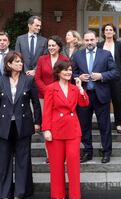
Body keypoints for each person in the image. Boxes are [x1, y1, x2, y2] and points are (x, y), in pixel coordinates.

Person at [0, 51, 42, 199]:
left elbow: (36, 103)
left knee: (23, 158)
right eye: (17, 61)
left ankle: (21, 191)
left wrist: (37, 122)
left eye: (21, 61)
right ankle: (3, 191)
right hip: (3, 124)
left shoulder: (28, 80)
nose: (20, 63)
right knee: (3, 158)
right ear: (9, 64)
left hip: (24, 124)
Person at [42, 61, 89, 199]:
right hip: (56, 129)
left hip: (73, 129)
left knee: (73, 162)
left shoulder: (75, 88)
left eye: (70, 70)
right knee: (56, 163)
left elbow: (84, 104)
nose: (68, 72)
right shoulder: (51, 88)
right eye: (65, 70)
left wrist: (81, 89)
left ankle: (75, 194)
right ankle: (58, 194)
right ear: (58, 72)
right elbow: (47, 110)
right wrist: (46, 129)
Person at [72, 30, 118, 164]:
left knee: (104, 125)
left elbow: (115, 72)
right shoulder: (77, 55)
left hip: (101, 95)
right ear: (83, 41)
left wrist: (102, 76)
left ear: (96, 40)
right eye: (86, 40)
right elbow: (72, 73)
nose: (89, 42)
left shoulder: (106, 54)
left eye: (91, 40)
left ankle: (106, 152)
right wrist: (78, 77)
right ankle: (88, 151)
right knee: (84, 125)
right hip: (84, 95)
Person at [35, 35, 69, 164]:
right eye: (49, 45)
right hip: (44, 97)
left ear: (59, 46)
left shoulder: (64, 59)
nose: (51, 48)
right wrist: (48, 92)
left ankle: (62, 153)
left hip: (61, 97)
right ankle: (49, 154)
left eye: (53, 45)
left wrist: (57, 92)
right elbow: (37, 78)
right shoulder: (42, 59)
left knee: (61, 123)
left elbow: (67, 77)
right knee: (47, 124)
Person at [98, 23, 121, 134]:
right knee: (103, 101)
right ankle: (104, 124)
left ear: (114, 32)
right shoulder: (99, 45)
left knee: (117, 101)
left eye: (110, 30)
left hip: (116, 78)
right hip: (103, 77)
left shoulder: (118, 45)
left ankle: (118, 123)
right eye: (106, 30)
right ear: (103, 32)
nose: (108, 31)